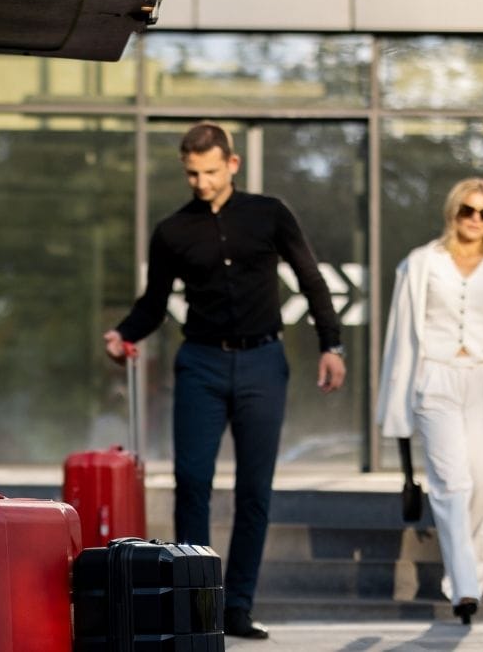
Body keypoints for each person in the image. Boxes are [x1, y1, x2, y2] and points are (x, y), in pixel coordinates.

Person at [102, 122, 346, 640]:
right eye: (192, 173)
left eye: (210, 171)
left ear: (232, 165)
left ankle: (237, 607)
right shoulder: (172, 231)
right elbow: (153, 302)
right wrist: (122, 333)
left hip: (263, 363)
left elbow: (310, 277)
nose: (202, 182)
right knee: (192, 483)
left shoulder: (270, 214)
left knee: (255, 490)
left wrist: (332, 344)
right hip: (201, 365)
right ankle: (196, 609)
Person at [373, 178, 483, 625]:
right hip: (436, 378)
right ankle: (465, 586)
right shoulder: (421, 263)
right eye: (467, 210)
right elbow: (401, 333)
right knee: (452, 484)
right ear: (453, 213)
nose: (475, 219)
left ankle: (468, 579)